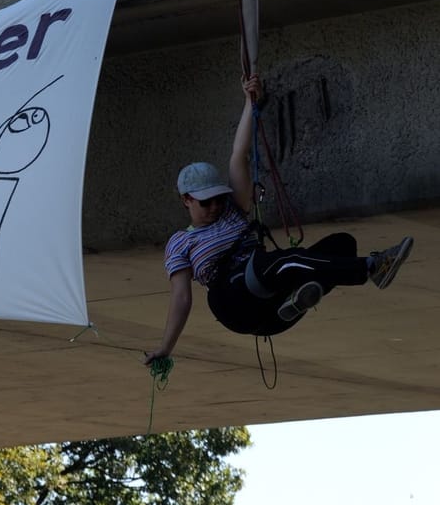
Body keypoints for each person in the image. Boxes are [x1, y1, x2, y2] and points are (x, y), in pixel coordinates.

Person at [143, 74, 413, 365]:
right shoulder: (181, 242)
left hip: (270, 311)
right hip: (232, 301)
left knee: (342, 244)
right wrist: (165, 348)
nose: (215, 206)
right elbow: (182, 298)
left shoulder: (233, 209)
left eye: (219, 198)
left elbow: (239, 154)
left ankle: (295, 299)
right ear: (186, 200)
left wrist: (250, 102)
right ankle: (372, 267)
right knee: (281, 262)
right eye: (205, 202)